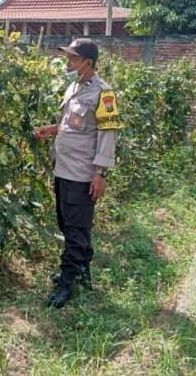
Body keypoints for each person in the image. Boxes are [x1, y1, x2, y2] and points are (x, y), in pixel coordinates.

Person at [34, 38, 121, 308]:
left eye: (73, 59)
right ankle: (82, 270)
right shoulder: (73, 87)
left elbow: (108, 134)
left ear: (88, 63)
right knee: (66, 223)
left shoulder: (104, 94)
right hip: (63, 167)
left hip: (83, 173)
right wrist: (51, 129)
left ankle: (67, 281)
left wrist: (100, 173)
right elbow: (71, 124)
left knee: (74, 228)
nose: (68, 63)